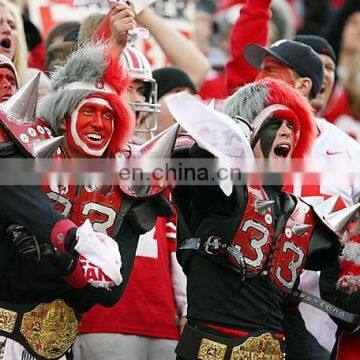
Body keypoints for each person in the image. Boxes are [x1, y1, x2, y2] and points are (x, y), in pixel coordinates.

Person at [167, 78, 353, 359]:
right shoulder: (218, 191)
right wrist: (232, 138)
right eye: (276, 123)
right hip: (210, 349)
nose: (287, 132)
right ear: (246, 130)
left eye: (293, 126)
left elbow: (289, 307)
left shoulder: (300, 212)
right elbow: (198, 155)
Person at [0, 70, 127, 360]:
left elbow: (111, 292)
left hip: (60, 346)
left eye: (108, 116)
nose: (98, 123)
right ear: (62, 118)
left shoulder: (129, 184)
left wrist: (66, 263)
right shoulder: (18, 157)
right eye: (89, 111)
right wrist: (74, 239)